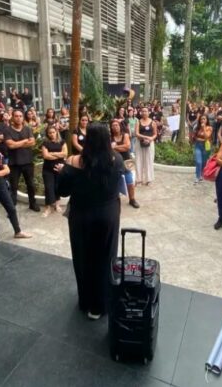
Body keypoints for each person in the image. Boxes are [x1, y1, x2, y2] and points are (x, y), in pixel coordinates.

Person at [58, 123, 125, 320]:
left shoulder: (73, 162)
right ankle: (101, 304)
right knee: (106, 257)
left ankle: (86, 300)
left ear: (87, 140)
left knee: (83, 257)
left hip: (82, 216)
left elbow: (62, 191)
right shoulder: (117, 159)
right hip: (108, 215)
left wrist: (63, 172)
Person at [5, 109, 40, 212]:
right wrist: (25, 141)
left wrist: (16, 144)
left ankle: (32, 204)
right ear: (12, 117)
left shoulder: (27, 129)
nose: (18, 118)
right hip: (14, 163)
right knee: (14, 187)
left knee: (30, 185)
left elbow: (32, 142)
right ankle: (12, 207)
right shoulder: (7, 130)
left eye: (20, 116)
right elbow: (10, 146)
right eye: (16, 116)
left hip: (28, 162)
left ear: (23, 117)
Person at [110, 118, 140, 209]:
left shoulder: (125, 135)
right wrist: (120, 147)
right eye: (113, 126)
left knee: (130, 182)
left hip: (126, 162)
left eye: (116, 125)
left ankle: (132, 199)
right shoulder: (109, 137)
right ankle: (113, 200)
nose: (115, 127)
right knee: (114, 182)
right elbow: (109, 148)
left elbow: (127, 147)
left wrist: (115, 147)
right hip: (114, 163)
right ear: (111, 127)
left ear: (120, 126)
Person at [41, 124, 68, 216]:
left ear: (57, 132)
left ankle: (57, 205)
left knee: (57, 186)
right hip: (47, 169)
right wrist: (59, 155)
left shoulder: (62, 142)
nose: (52, 134)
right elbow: (46, 156)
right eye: (50, 133)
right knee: (49, 187)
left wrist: (52, 153)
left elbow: (65, 154)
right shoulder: (45, 143)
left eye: (53, 132)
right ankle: (48, 207)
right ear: (47, 134)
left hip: (59, 168)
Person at [135, 106, 156, 185]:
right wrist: (145, 137)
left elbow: (155, 134)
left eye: (145, 111)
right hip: (139, 143)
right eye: (142, 111)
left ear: (148, 112)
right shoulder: (138, 122)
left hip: (150, 143)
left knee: (149, 161)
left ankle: (149, 179)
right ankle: (139, 179)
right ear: (141, 113)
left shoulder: (153, 122)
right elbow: (136, 133)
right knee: (138, 160)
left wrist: (150, 139)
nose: (144, 113)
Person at [193, 114, 212, 184]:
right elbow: (194, 136)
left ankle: (201, 175)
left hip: (205, 146)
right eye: (201, 119)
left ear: (207, 120)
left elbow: (207, 137)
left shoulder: (209, 128)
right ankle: (197, 176)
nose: (202, 120)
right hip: (198, 146)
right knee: (198, 162)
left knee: (204, 162)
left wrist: (204, 128)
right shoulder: (197, 127)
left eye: (204, 119)